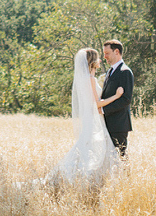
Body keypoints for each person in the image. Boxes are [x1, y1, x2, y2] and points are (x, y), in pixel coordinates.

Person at [47, 47, 121, 189]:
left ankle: (87, 179)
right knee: (94, 149)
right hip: (94, 120)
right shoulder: (91, 80)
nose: (100, 60)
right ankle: (85, 178)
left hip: (91, 119)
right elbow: (97, 104)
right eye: (98, 58)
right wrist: (116, 96)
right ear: (92, 61)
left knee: (87, 147)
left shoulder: (85, 79)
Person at [100, 39, 133, 157]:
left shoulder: (125, 72)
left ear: (117, 52)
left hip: (118, 124)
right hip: (107, 123)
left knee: (120, 157)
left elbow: (125, 99)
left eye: (107, 53)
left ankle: (125, 176)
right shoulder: (110, 71)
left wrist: (104, 110)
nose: (105, 57)